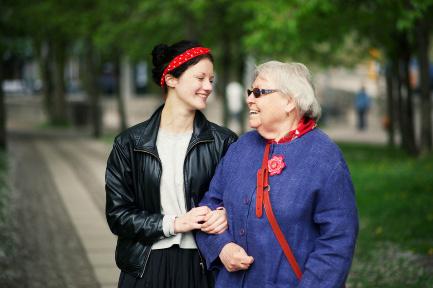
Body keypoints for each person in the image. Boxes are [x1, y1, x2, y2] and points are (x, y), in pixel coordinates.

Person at [197, 61, 359, 287]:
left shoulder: (325, 157)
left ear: (289, 101)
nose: (249, 99)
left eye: (259, 92)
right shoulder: (240, 147)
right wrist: (222, 247)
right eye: (250, 92)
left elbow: (338, 240)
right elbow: (209, 204)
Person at [105, 40, 238, 288]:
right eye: (200, 78)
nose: (208, 86)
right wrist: (174, 223)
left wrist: (225, 215)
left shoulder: (224, 142)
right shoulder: (129, 143)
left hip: (204, 264)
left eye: (211, 79)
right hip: (145, 264)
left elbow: (240, 201)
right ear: (171, 79)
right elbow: (118, 216)